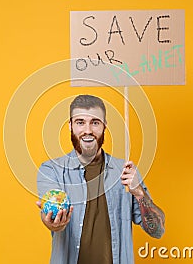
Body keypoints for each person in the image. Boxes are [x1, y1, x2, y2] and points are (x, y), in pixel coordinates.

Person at [36, 95, 165, 264]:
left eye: (95, 122)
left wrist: (139, 193)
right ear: (70, 126)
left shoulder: (126, 172)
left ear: (105, 126)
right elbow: (54, 221)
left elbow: (157, 231)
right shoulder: (52, 170)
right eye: (80, 122)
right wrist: (55, 224)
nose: (87, 130)